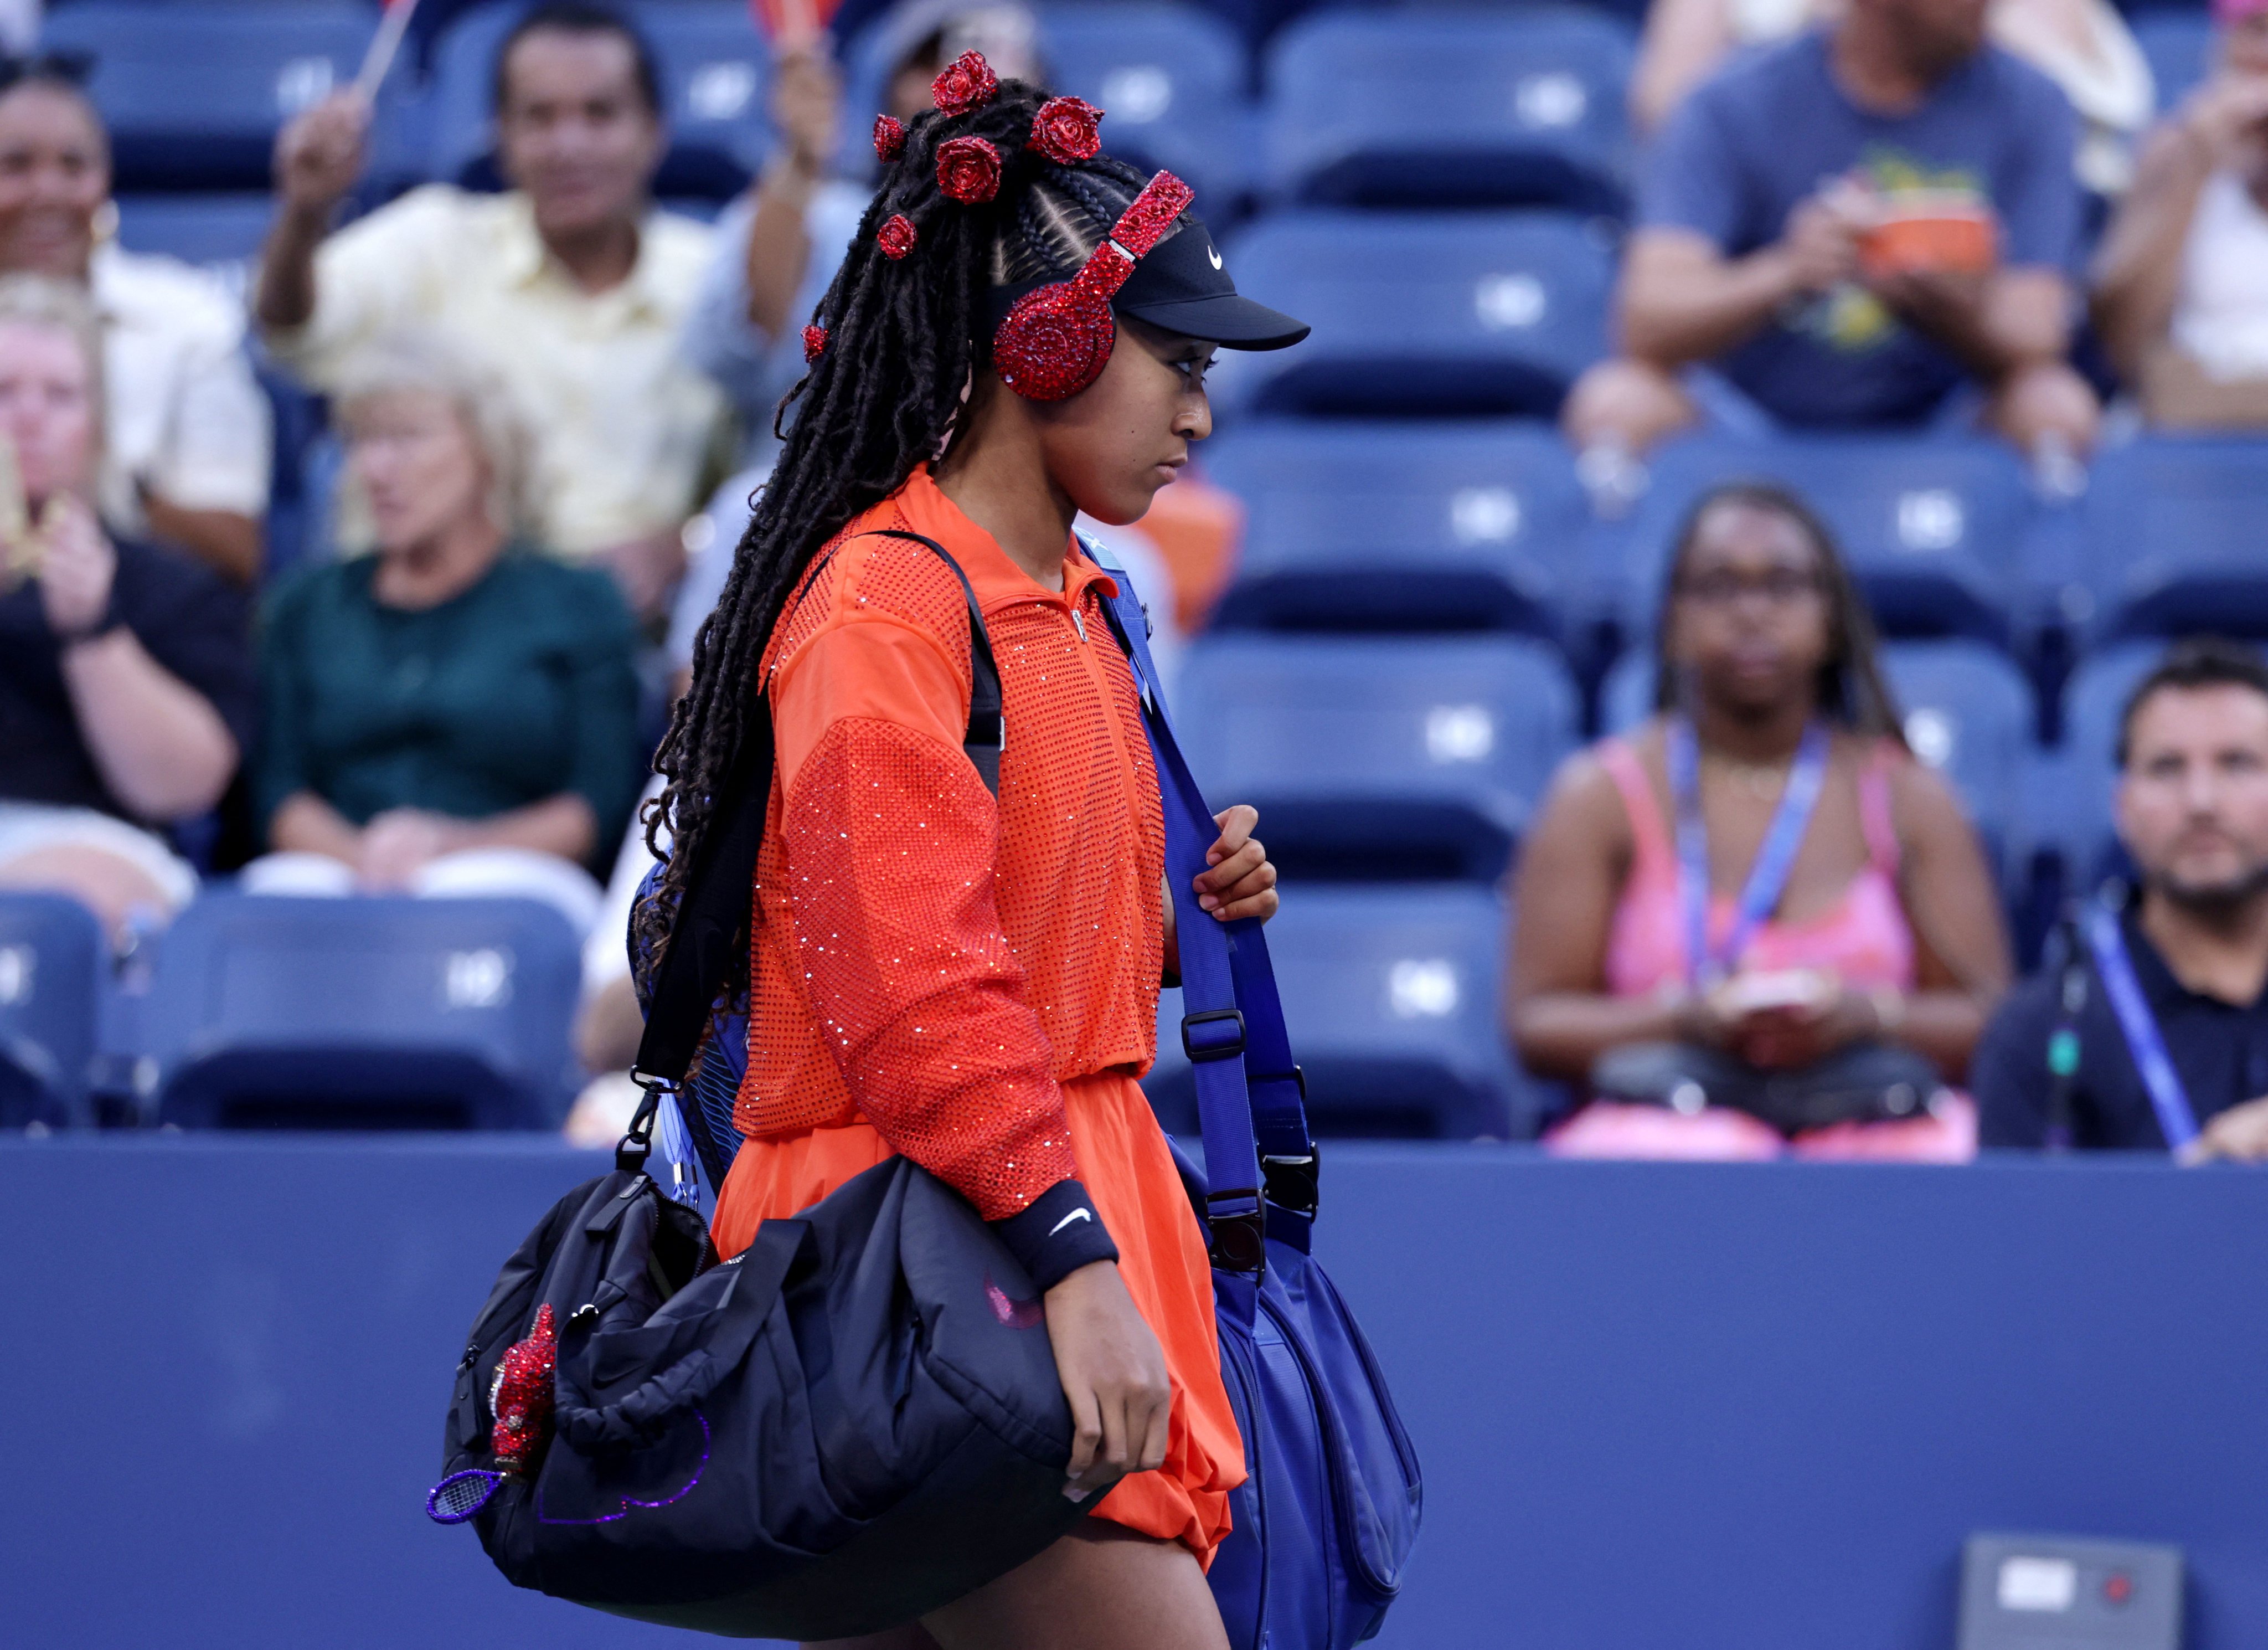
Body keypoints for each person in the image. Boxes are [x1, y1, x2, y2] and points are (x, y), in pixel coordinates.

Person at [637, 60, 1307, 1648]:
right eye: (1178, 362)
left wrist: (1173, 930)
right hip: (936, 1237)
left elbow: (1001, 939)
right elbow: (918, 988)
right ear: (1046, 344)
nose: (1203, 413)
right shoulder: (884, 605)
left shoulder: (1082, 598)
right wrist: (1070, 1262)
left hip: (1000, 1198)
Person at [1507, 482, 2009, 1159]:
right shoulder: (1597, 795)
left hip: (1871, 1126)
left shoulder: (1909, 798)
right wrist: (1684, 1018)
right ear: (1674, 621)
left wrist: (1865, 1017)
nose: (1750, 612)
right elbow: (1536, 1024)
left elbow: (1993, 1022)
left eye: (1781, 585)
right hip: (1670, 1127)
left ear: (1830, 618)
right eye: (1718, 587)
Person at [256, 2, 726, 617]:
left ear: (653, 132)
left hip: (646, 638)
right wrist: (305, 215)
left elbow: (775, 468)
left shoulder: (715, 276)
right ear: (500, 138)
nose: (569, 144)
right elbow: (295, 335)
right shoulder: (434, 239)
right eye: (539, 117)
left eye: (600, 114)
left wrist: (687, 547)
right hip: (447, 625)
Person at [1565, 0, 2099, 482]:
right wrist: (1790, 271)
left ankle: (2052, 590)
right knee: (1617, 402)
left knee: (2055, 405)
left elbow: (2038, 331)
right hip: (1752, 418)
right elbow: (1646, 318)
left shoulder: (2035, 102)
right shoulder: (1733, 100)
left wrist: (1934, 294)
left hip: (1943, 416)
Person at [248, 335, 642, 938]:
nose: (377, 468)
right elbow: (277, 791)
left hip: (513, 874)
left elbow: (599, 802)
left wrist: (453, 848)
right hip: (336, 872)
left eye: (406, 438)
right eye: (362, 441)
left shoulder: (578, 604)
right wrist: (369, 862)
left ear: (488, 449)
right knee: (271, 902)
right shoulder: (305, 606)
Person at [0, 274, 253, 937]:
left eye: (59, 395)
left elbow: (185, 786)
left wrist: (92, 629)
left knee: (78, 905)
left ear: (100, 425)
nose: (27, 418)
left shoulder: (168, 586)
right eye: (3, 392)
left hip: (91, 846)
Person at [1975, 640, 2268, 1159]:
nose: (2201, 801)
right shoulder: (2045, 1027)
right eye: (2166, 768)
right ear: (2123, 806)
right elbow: (2021, 1235)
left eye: (2238, 763)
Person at [0, 56, 271, 584]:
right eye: (15, 166)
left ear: (106, 181)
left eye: (73, 167)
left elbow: (237, 551)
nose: (48, 191)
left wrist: (101, 483)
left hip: (138, 623)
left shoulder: (186, 317)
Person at [1630, 0, 2152, 200]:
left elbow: (2106, 142)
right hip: (1772, 253)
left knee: (2049, 400)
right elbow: (1669, 119)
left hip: (1989, 270)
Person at [2090, 0, 2268, 429]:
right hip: (2186, 446)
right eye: (2257, 30)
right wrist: (2194, 164)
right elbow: (2124, 353)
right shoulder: (2175, 150)